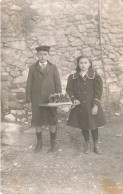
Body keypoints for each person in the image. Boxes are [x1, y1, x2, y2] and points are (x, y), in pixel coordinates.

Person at [66, 55, 106, 154]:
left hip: (91, 105)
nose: (83, 65)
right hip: (80, 107)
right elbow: (69, 90)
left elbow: (98, 92)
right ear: (78, 64)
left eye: (85, 63)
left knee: (94, 124)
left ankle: (96, 144)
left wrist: (96, 105)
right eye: (81, 63)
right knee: (83, 125)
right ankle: (87, 144)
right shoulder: (73, 77)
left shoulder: (95, 77)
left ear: (89, 64)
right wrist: (74, 99)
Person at [26, 45, 62, 153]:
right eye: (40, 54)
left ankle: (53, 142)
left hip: (50, 100)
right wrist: (28, 99)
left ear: (48, 55)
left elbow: (57, 83)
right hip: (37, 99)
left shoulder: (53, 67)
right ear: (37, 55)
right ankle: (39, 143)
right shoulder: (32, 68)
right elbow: (29, 84)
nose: (42, 56)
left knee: (52, 121)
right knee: (38, 122)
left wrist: (58, 97)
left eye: (45, 54)